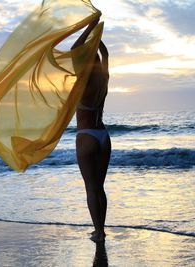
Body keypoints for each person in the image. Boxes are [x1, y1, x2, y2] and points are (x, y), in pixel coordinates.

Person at [71, 17, 111, 243]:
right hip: (103, 136)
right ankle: (101, 229)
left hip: (86, 136)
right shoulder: (104, 79)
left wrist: (89, 29)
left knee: (90, 188)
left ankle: (98, 232)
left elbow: (75, 48)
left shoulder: (82, 82)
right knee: (100, 188)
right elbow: (105, 56)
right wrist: (97, 38)